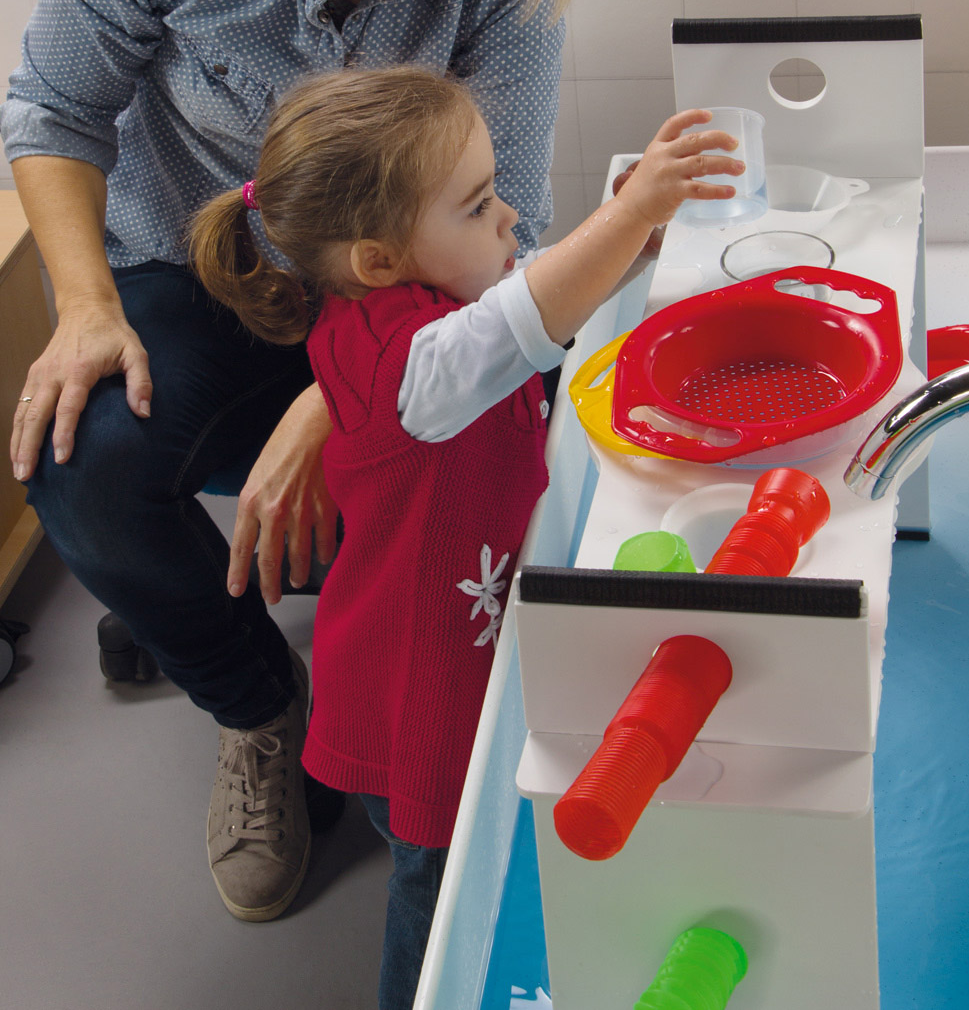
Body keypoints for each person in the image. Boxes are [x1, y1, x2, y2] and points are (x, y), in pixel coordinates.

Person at [0, 0, 586, 922]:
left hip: (404, 302)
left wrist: (348, 395)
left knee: (451, 503)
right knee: (74, 465)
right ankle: (258, 708)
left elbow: (520, 226)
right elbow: (52, 112)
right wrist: (84, 309)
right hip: (197, 268)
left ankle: (285, 604)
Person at [187, 65, 743, 1009]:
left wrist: (629, 237)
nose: (509, 216)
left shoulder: (414, 303)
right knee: (439, 887)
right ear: (377, 260)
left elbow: (515, 292)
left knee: (474, 842)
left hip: (458, 635)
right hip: (424, 683)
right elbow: (516, 323)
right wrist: (628, 215)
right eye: (479, 203)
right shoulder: (406, 365)